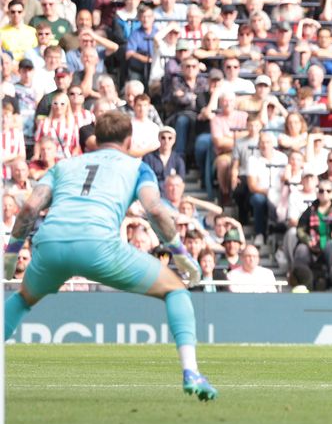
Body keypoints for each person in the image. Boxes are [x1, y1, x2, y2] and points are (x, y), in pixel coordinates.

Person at [2, 111, 217, 400]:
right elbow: (154, 210)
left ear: (96, 140)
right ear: (128, 141)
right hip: (99, 245)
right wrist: (179, 254)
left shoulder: (64, 165)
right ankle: (191, 371)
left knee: (23, 300)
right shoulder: (138, 167)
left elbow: (29, 209)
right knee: (176, 290)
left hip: (50, 244)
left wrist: (11, 254)